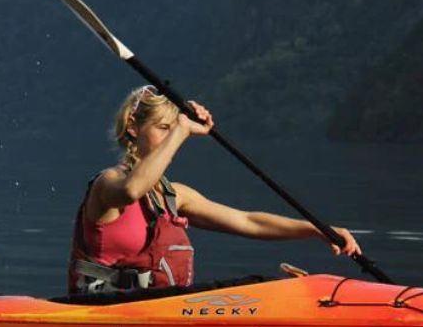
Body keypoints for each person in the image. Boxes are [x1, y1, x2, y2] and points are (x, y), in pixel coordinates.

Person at [68, 85, 361, 294]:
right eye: (163, 128)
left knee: (260, 285)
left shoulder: (175, 196)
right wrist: (182, 129)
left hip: (158, 308)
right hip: (103, 308)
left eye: (173, 129)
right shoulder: (108, 184)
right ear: (133, 127)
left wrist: (317, 229)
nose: (172, 136)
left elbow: (250, 222)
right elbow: (133, 189)